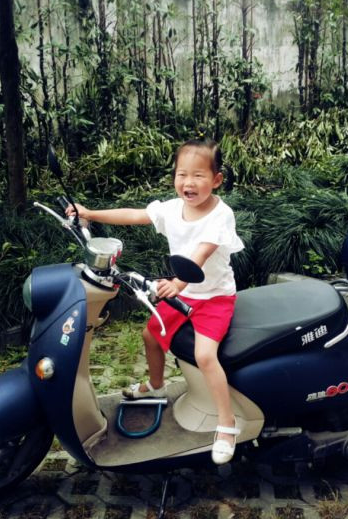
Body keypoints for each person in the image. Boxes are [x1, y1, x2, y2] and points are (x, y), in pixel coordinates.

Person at [66, 138, 244, 464]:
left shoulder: (221, 215)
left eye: (199, 175)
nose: (189, 182)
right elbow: (135, 215)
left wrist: (177, 282)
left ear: (217, 179)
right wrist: (88, 213)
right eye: (182, 174)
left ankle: (226, 423)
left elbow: (201, 254)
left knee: (205, 356)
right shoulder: (173, 209)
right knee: (150, 335)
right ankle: (157, 384)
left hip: (214, 297)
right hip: (182, 292)